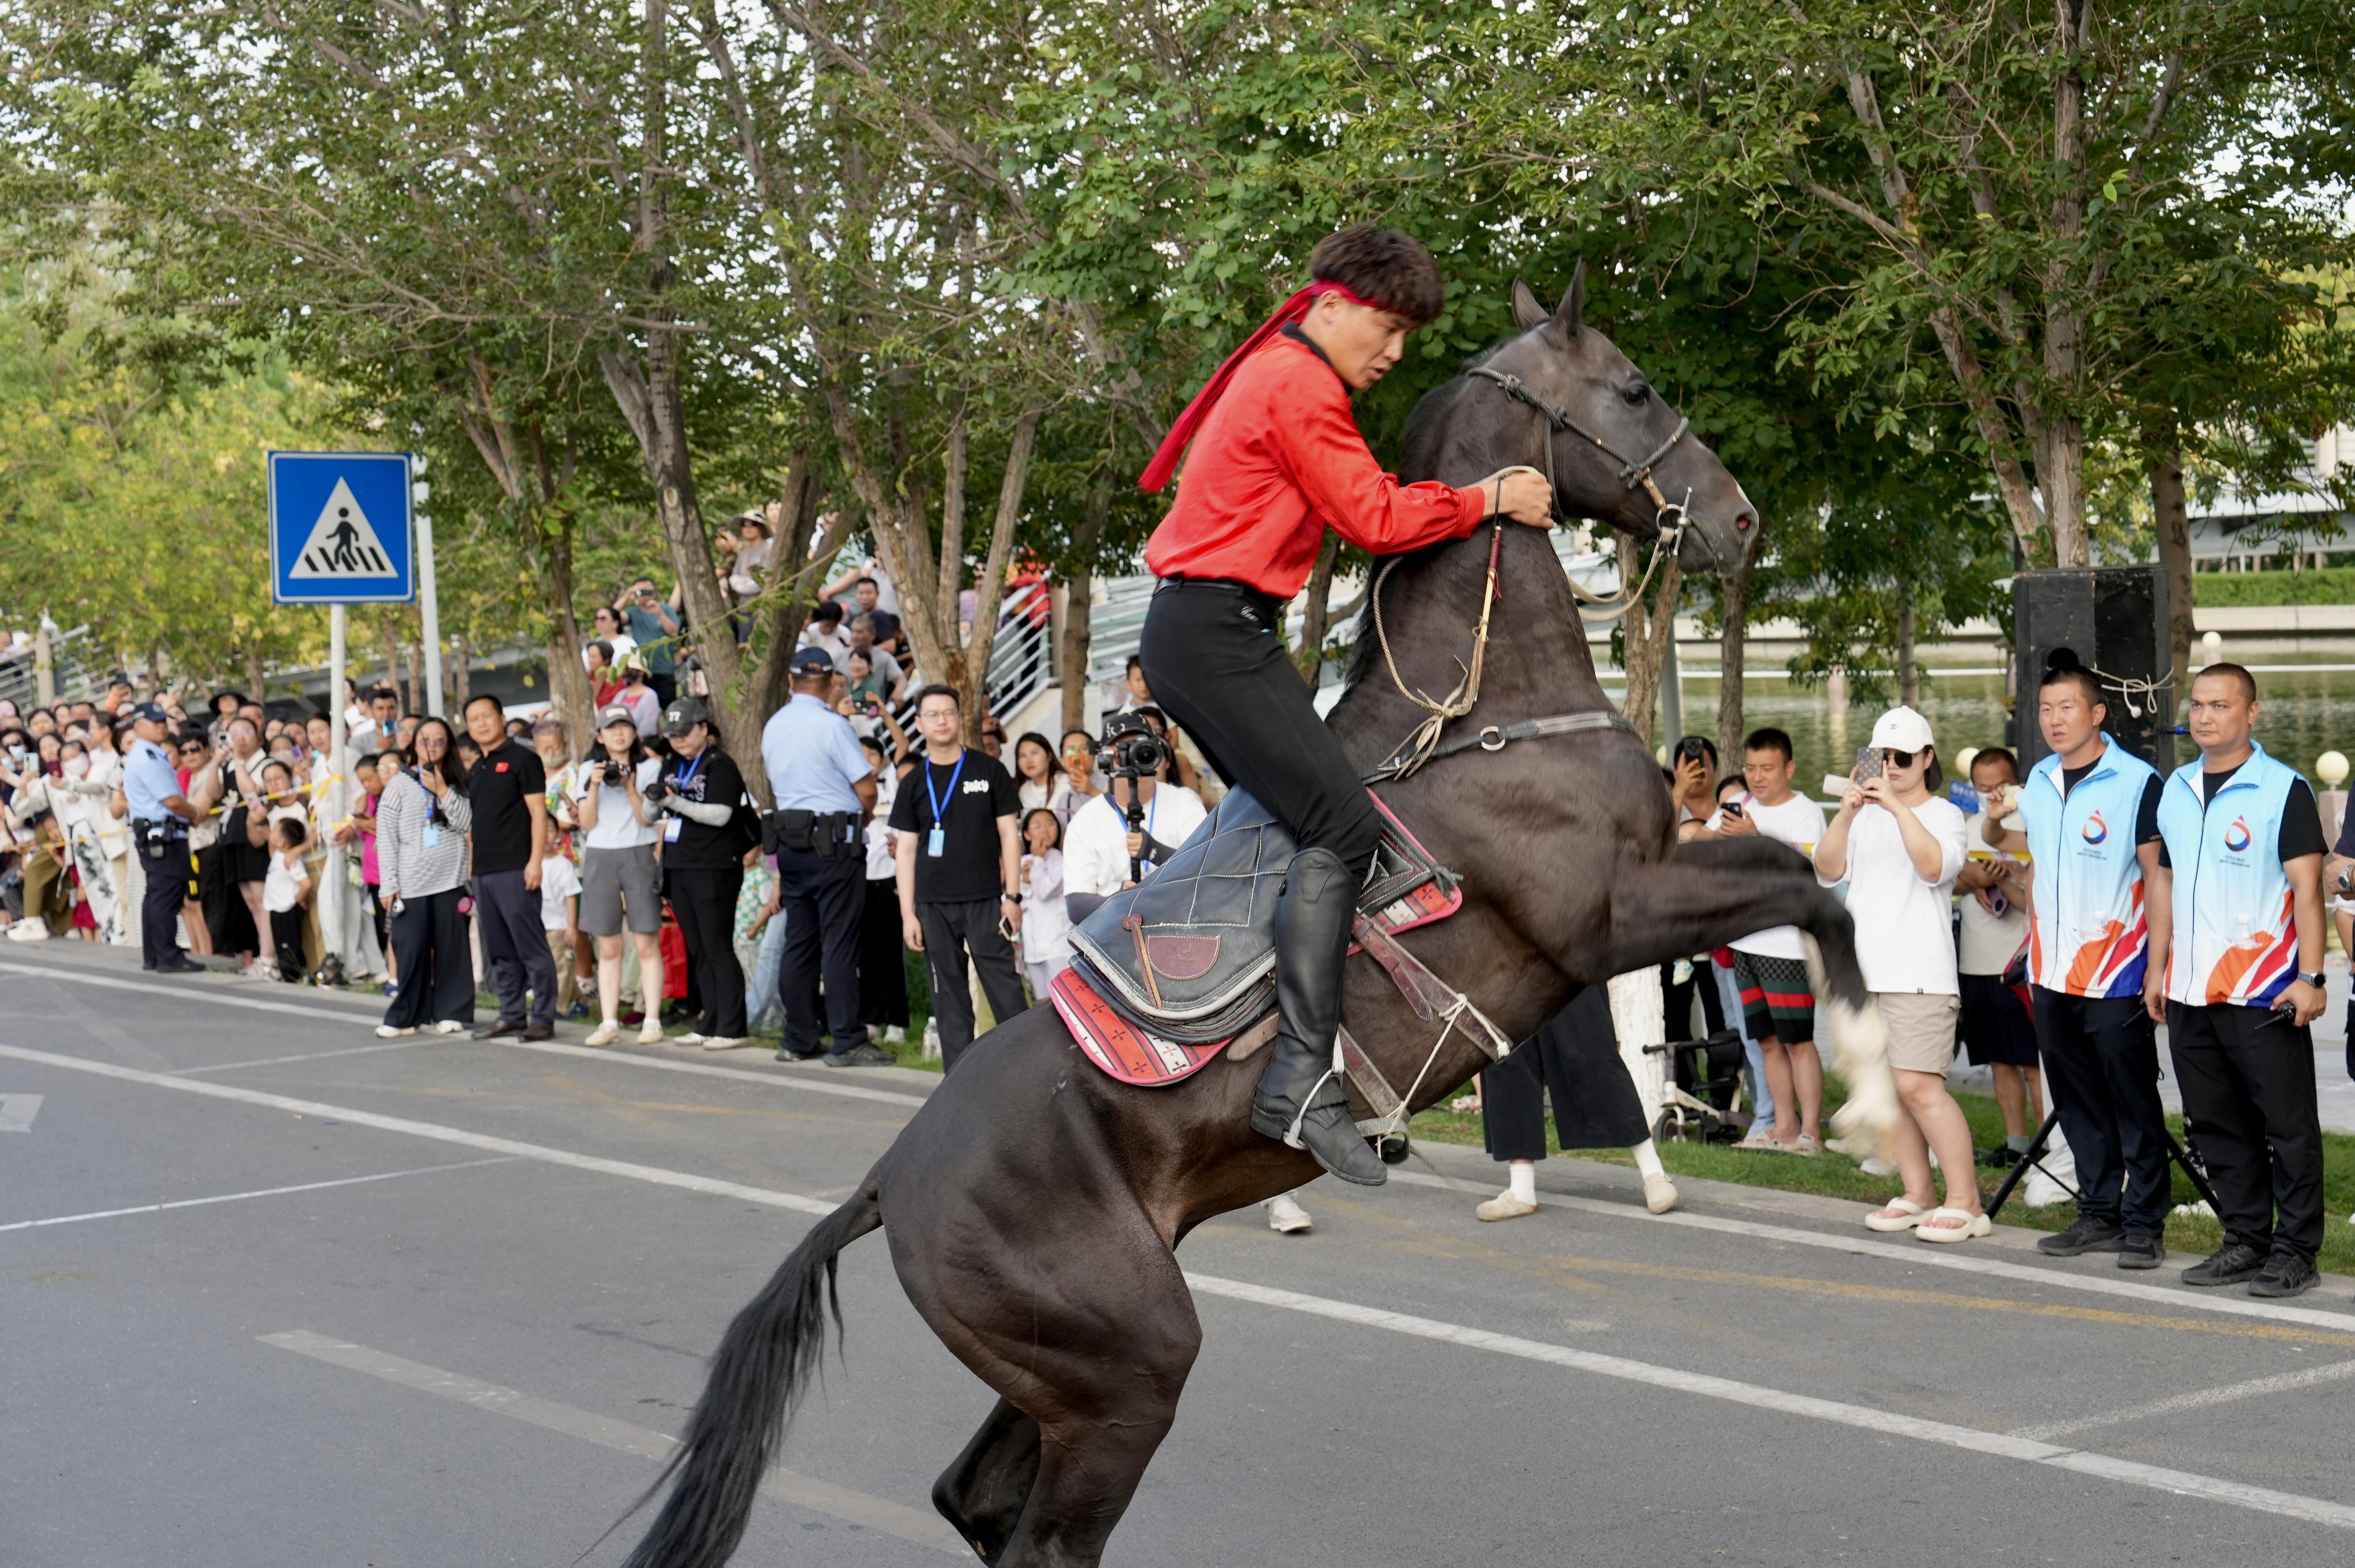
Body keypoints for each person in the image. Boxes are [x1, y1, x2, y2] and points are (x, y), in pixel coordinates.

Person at [1132, 225, 1552, 1182]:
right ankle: (1296, 1080)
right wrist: (1487, 497)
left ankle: (1237, 1030)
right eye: (1392, 328)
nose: (1397, 351)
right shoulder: (1299, 384)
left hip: (1216, 631)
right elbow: (1373, 517)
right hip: (1214, 632)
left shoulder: (1285, 370)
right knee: (1341, 826)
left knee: (1296, 833)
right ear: (1333, 304)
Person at [2147, 664, 2329, 1298]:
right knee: (2216, 1124)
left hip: (2263, 991)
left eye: (2219, 705)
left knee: (2286, 1127)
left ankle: (2296, 1250)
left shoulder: (2282, 789)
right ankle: (2246, 1238)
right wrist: (2156, 966)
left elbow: (2308, 890)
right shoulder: (2174, 787)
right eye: (2196, 705)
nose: (2203, 716)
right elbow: (2163, 884)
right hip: (2190, 991)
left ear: (2249, 713)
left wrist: (2310, 977)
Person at [1994, 658, 2172, 1268]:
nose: (2054, 720)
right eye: (2044, 709)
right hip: (2051, 971)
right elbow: (2034, 859)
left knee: (2130, 1098)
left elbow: (2156, 876)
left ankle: (2144, 1222)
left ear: (2097, 713)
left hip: (2118, 970)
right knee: (2074, 1097)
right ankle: (2099, 1210)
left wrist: (2157, 966)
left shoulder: (2138, 781)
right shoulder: (2039, 780)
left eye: (2066, 708)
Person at [1812, 707, 1980, 1242]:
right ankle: (1917, 1192)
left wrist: (1894, 806)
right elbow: (1826, 868)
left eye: (1902, 758)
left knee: (1920, 1086)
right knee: (1890, 1089)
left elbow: (1933, 868)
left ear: (1927, 758)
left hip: (1920, 973)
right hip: (1865, 971)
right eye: (1881, 758)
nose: (1891, 767)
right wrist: (1846, 813)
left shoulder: (1944, 815)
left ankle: (1966, 1201)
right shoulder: (1862, 816)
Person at [889, 683, 1027, 1071]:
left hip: (986, 900)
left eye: (948, 713)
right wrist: (908, 915)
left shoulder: (988, 770)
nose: (941, 721)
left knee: (1006, 992)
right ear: (918, 723)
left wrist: (1012, 897)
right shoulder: (914, 782)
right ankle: (958, 1083)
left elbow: (1009, 837)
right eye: (932, 715)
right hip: (932, 905)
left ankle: (1027, 1073)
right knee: (949, 999)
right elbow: (906, 850)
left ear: (960, 717)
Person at [763, 646, 887, 1066]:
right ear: (833, 681)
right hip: (835, 843)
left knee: (800, 942)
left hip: (792, 842)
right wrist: (865, 816)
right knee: (839, 941)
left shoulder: (774, 725)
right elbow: (866, 788)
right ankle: (847, 1039)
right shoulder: (833, 726)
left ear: (791, 681)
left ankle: (797, 1037)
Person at [1713, 728, 1829, 1155]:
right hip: (1745, 941)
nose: (1757, 777)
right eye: (1750, 768)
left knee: (1798, 1040)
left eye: (1767, 768)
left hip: (1788, 944)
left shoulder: (1807, 812)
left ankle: (1811, 1132)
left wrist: (1754, 838)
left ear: (1789, 768)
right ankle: (1782, 1127)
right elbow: (1701, 837)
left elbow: (1810, 870)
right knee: (1766, 1041)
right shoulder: (1739, 805)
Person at [1476, 986, 1680, 1221]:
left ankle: (1654, 1174)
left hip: (1569, 956)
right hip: (1507, 959)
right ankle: (1521, 1190)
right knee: (1508, 1055)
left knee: (1589, 1050)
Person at [1952, 746, 2042, 1164]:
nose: (1992, 795)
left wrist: (2008, 880)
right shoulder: (1964, 827)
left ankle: (2047, 1147)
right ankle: (2017, 1145)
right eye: (1983, 787)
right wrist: (1974, 881)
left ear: (2017, 784)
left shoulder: (2029, 827)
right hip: (1976, 959)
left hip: (2020, 964)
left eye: (2000, 786)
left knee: (2033, 1061)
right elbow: (1944, 882)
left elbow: (2034, 902)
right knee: (1999, 1059)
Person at [649, 698, 754, 1050]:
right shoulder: (671, 763)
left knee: (717, 946)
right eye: (673, 735)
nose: (678, 740)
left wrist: (674, 802)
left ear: (704, 728)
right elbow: (651, 813)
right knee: (697, 948)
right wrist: (653, 796)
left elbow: (721, 815)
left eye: (684, 733)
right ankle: (709, 1021)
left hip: (715, 864)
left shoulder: (719, 764)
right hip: (679, 864)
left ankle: (733, 1025)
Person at [462, 693, 557, 1041]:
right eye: (474, 719)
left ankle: (544, 1018)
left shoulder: (524, 759)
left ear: (502, 719)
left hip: (517, 868)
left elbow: (538, 814)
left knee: (531, 946)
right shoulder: (476, 769)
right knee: (500, 948)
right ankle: (512, 1013)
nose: (482, 723)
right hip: (484, 871)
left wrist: (535, 862)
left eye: (487, 716)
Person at [375, 718, 476, 1038]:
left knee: (452, 949)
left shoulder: (461, 781)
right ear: (414, 745)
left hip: (451, 880)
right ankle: (406, 1016)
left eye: (439, 740)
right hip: (410, 882)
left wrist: (442, 789)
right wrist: (388, 882)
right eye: (424, 740)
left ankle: (452, 1011)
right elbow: (386, 836)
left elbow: (467, 824)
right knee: (411, 949)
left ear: (449, 746)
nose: (431, 746)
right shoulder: (399, 784)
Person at [573, 705, 667, 1047]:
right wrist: (595, 785)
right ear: (600, 735)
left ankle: (653, 1020)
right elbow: (586, 823)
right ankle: (609, 1020)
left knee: (646, 940)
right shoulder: (587, 767)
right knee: (609, 945)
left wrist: (628, 785)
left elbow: (647, 819)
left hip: (639, 851)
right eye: (611, 728)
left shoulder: (651, 766)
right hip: (600, 854)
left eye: (625, 726)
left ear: (634, 732)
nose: (619, 733)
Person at [1062, 713, 1209, 917]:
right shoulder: (1085, 821)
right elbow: (1076, 906)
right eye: (1120, 752)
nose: (1130, 762)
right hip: (1115, 937)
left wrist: (1153, 850)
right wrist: (1121, 900)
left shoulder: (1185, 803)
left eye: (1140, 750)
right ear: (1104, 759)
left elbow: (1207, 871)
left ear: (1157, 752)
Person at [122, 703, 204, 973]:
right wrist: (194, 812)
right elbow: (171, 800)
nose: (161, 725)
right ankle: (168, 956)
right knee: (166, 895)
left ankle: (155, 955)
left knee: (156, 894)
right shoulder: (148, 757)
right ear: (137, 726)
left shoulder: (146, 754)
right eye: (154, 721)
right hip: (163, 834)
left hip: (157, 834)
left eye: (163, 721)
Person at [855, 733, 910, 1046]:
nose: (866, 761)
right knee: (866, 953)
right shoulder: (850, 788)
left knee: (891, 952)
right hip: (861, 878)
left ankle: (898, 1022)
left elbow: (902, 745)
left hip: (891, 878)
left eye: (871, 755)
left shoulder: (893, 783)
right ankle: (870, 1018)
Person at [1017, 807, 1072, 996]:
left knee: (1064, 1000)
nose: (1045, 830)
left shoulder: (1061, 861)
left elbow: (1045, 891)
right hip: (1033, 948)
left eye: (1050, 824)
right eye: (1037, 826)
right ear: (1026, 833)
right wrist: (1024, 881)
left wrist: (1039, 861)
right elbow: (1021, 904)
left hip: (1058, 947)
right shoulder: (1023, 861)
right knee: (1041, 1006)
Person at [262, 815, 312, 975]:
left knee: (289, 944)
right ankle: (285, 971)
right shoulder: (278, 855)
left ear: (282, 841)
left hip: (288, 908)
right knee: (280, 942)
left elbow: (306, 884)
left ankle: (293, 973)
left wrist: (298, 899)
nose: (272, 833)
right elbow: (271, 848)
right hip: (277, 908)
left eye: (275, 831)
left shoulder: (290, 861)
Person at [623, 578, 681, 707]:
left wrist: (660, 613)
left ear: (655, 591)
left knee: (669, 708)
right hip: (640, 671)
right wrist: (627, 596)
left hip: (664, 670)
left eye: (647, 590)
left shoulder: (666, 609)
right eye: (641, 591)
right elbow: (613, 616)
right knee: (643, 709)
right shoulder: (633, 612)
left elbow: (675, 633)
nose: (644, 594)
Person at [1012, 731, 1073, 823]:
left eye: (1034, 753)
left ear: (1049, 756)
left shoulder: (1067, 783)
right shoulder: (1024, 791)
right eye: (1023, 756)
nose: (1029, 760)